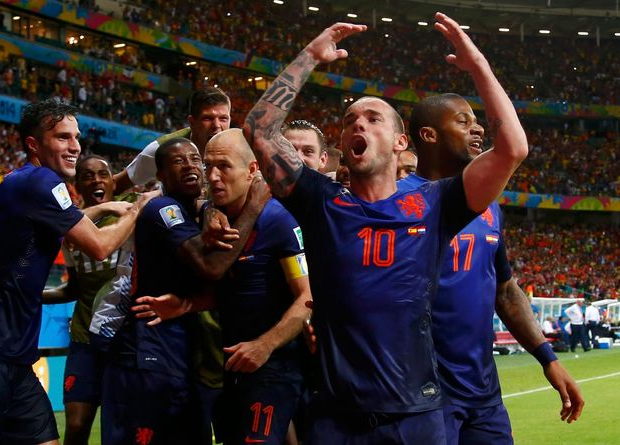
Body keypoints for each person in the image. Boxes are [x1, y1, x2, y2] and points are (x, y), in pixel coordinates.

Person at [243, 14, 528, 443]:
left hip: (415, 416)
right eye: (350, 120)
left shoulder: (436, 204)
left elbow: (512, 149)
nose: (358, 123)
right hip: (335, 418)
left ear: (400, 143)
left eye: (374, 118)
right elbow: (258, 129)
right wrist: (309, 57)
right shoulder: (322, 201)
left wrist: (479, 68)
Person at [0, 99, 155, 445]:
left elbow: (63, 219)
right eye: (63, 138)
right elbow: (99, 245)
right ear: (34, 145)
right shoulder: (40, 180)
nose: (75, 147)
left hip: (12, 356)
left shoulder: (29, 184)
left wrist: (104, 205)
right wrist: (138, 209)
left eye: (76, 137)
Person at [401, 93, 583, 444]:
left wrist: (547, 357)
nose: (478, 128)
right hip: (421, 393)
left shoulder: (489, 208)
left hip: (483, 392)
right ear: (429, 135)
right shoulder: (396, 202)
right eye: (463, 121)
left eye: (476, 120)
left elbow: (505, 289)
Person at [135, 129, 312, 444]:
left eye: (224, 167)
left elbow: (306, 298)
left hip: (274, 364)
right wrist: (186, 305)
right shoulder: (209, 214)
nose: (212, 177)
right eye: (209, 167)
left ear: (252, 171)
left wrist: (265, 344)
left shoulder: (278, 221)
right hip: (231, 366)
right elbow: (235, 290)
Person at [102, 137, 268, 445]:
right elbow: (211, 267)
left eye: (196, 160)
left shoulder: (198, 211)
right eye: (179, 162)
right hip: (148, 343)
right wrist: (254, 206)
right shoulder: (162, 209)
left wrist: (209, 209)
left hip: (178, 346)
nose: (191, 166)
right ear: (160, 176)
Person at [42, 155, 134, 445]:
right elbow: (74, 288)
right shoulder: (71, 230)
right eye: (88, 176)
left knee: (120, 427)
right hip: (84, 337)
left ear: (112, 181)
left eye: (102, 174)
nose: (96, 180)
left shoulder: (132, 214)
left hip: (126, 337)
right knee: (78, 424)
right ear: (77, 184)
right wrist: (35, 296)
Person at [113, 86, 231, 194]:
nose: (217, 125)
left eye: (223, 118)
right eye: (208, 118)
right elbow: (115, 185)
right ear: (192, 122)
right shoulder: (162, 149)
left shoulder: (240, 148)